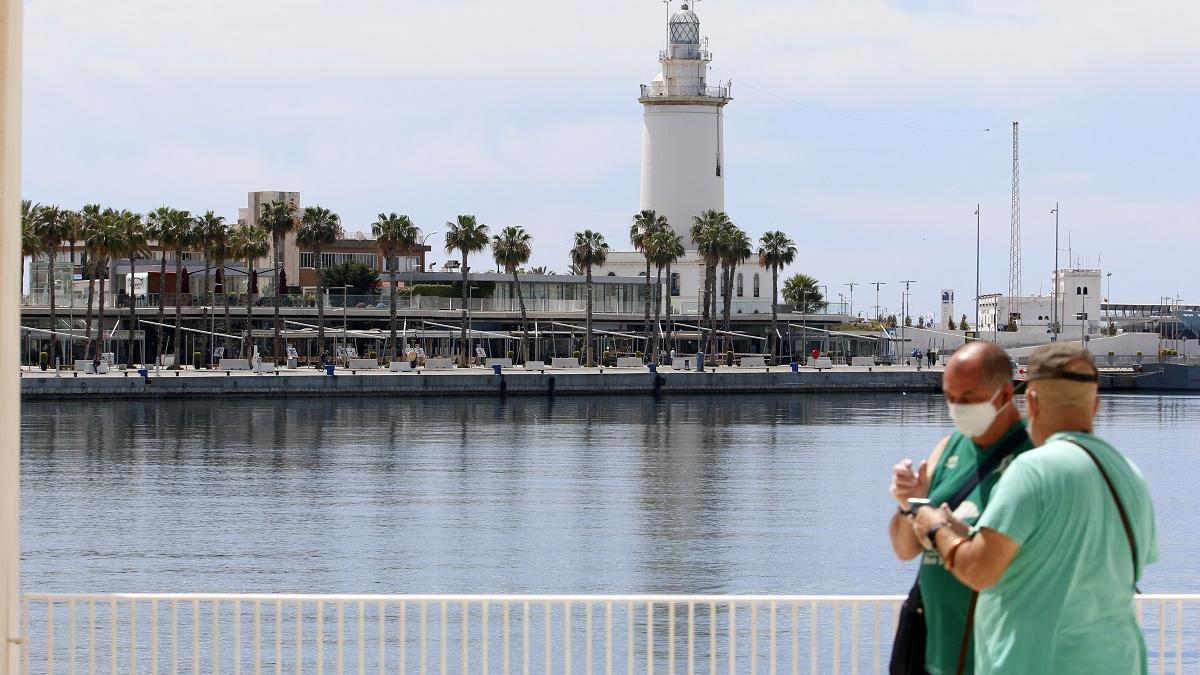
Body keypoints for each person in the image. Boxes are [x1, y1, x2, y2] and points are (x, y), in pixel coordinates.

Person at [913, 344, 1157, 674]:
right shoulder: (1129, 474)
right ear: (1095, 405)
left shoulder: (1031, 471)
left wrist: (935, 526)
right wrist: (969, 536)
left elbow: (980, 571)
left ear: (1031, 401)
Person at [889, 342, 1032, 675]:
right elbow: (904, 549)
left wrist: (953, 531)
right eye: (950, 397)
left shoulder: (1034, 454)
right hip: (934, 657)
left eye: (968, 398)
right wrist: (908, 504)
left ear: (1006, 394)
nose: (957, 407)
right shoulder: (948, 447)